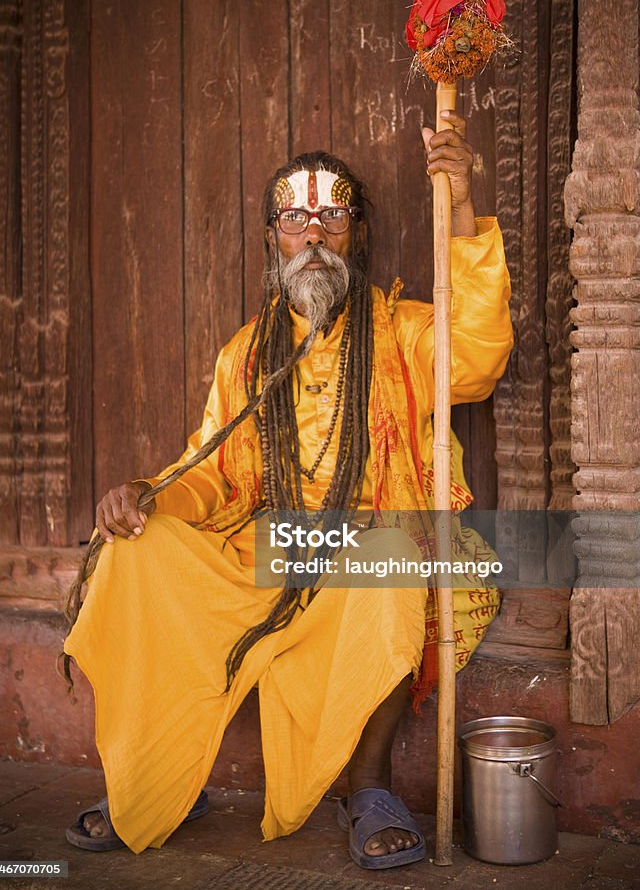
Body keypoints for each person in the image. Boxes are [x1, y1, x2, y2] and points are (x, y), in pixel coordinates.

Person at [64, 113, 513, 870]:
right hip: (259, 552)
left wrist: (462, 204)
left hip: (367, 551)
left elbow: (472, 358)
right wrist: (147, 496)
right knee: (134, 557)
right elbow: (209, 471)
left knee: (393, 564)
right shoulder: (244, 352)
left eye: (331, 216)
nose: (313, 233)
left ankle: (365, 789)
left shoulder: (400, 330)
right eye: (294, 218)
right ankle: (155, 783)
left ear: (356, 235)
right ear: (272, 237)